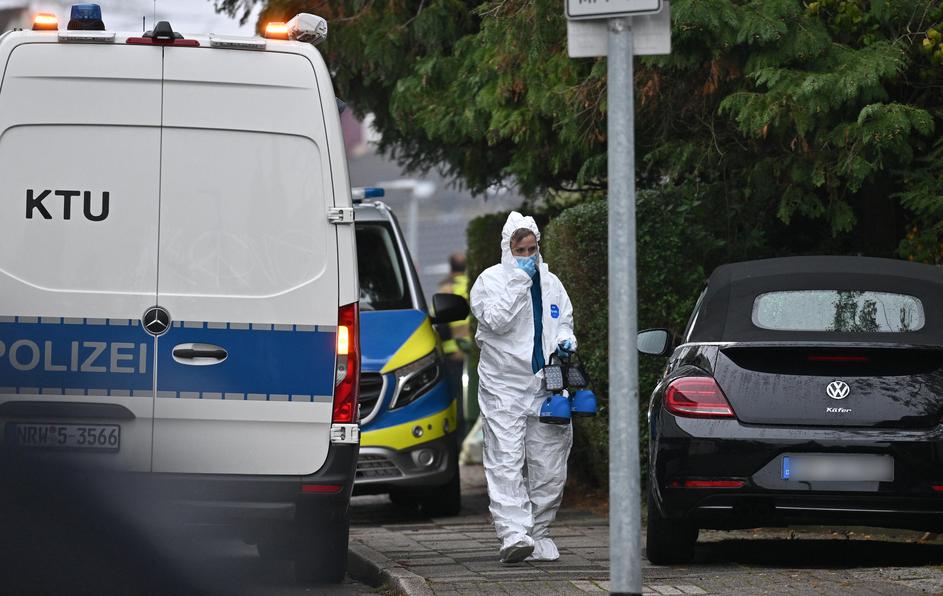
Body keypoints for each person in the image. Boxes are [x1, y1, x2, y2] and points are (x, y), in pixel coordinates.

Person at [470, 211, 577, 564]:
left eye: (532, 249)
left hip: (545, 385)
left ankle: (539, 532)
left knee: (550, 465)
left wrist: (566, 341)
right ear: (508, 249)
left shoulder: (551, 283)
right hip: (503, 386)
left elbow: (563, 320)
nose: (528, 257)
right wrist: (519, 282)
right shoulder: (489, 281)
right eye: (520, 251)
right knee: (506, 460)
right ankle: (514, 534)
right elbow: (496, 321)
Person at [436, 252, 471, 438]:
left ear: (451, 268)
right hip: (475, 355)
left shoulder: (446, 289)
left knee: (456, 401)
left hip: (453, 355)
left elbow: (440, 327)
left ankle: (459, 440)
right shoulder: (473, 286)